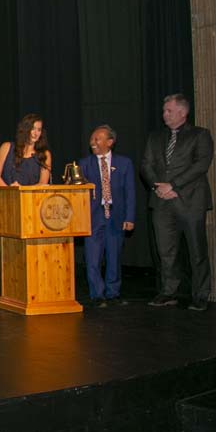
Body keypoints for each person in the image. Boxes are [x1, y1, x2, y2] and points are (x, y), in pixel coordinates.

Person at [142, 94, 214, 311]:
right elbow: (146, 165)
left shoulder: (200, 134)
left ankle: (200, 295)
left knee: (196, 250)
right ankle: (168, 292)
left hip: (190, 201)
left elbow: (201, 165)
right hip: (162, 202)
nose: (164, 115)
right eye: (164, 111)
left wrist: (173, 185)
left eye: (169, 111)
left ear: (183, 113)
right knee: (166, 251)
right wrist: (158, 187)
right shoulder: (155, 137)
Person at [77, 126, 135, 308]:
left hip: (116, 216)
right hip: (93, 217)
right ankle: (97, 294)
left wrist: (130, 217)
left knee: (114, 256)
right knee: (92, 258)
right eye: (92, 139)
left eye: (97, 139)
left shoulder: (124, 163)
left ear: (110, 142)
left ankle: (113, 293)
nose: (93, 142)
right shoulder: (84, 164)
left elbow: (130, 192)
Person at [0, 114, 53, 186]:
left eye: (39, 130)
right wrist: (10, 190)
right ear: (25, 129)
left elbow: (42, 184)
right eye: (33, 128)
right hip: (6, 192)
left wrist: (21, 190)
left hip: (30, 193)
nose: (36, 133)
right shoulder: (6, 147)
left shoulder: (45, 154)